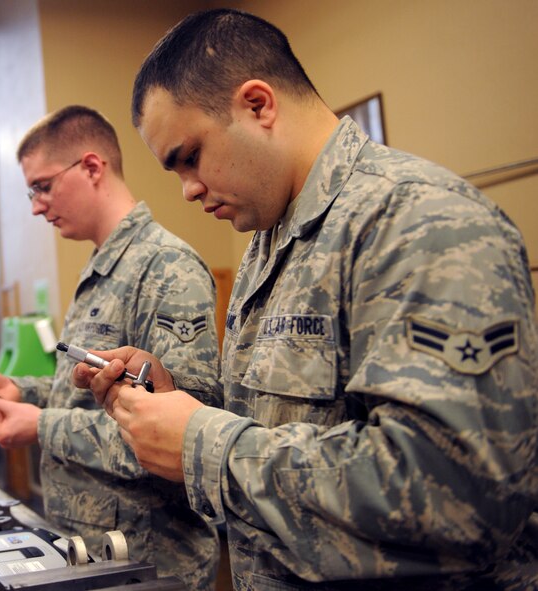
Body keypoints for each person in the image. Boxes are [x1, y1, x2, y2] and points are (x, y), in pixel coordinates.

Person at [73, 9, 538, 591]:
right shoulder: (271, 239)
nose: (187, 189)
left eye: (189, 156)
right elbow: (280, 427)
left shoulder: (420, 221)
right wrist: (171, 401)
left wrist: (201, 444)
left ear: (258, 105)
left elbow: (457, 497)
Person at [0, 105, 222, 590]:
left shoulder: (166, 268)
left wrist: (40, 425)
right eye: (31, 191)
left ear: (92, 167)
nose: (36, 206)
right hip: (94, 551)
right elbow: (90, 395)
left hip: (150, 563)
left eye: (43, 186)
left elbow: (180, 438)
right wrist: (21, 391)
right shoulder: (102, 268)